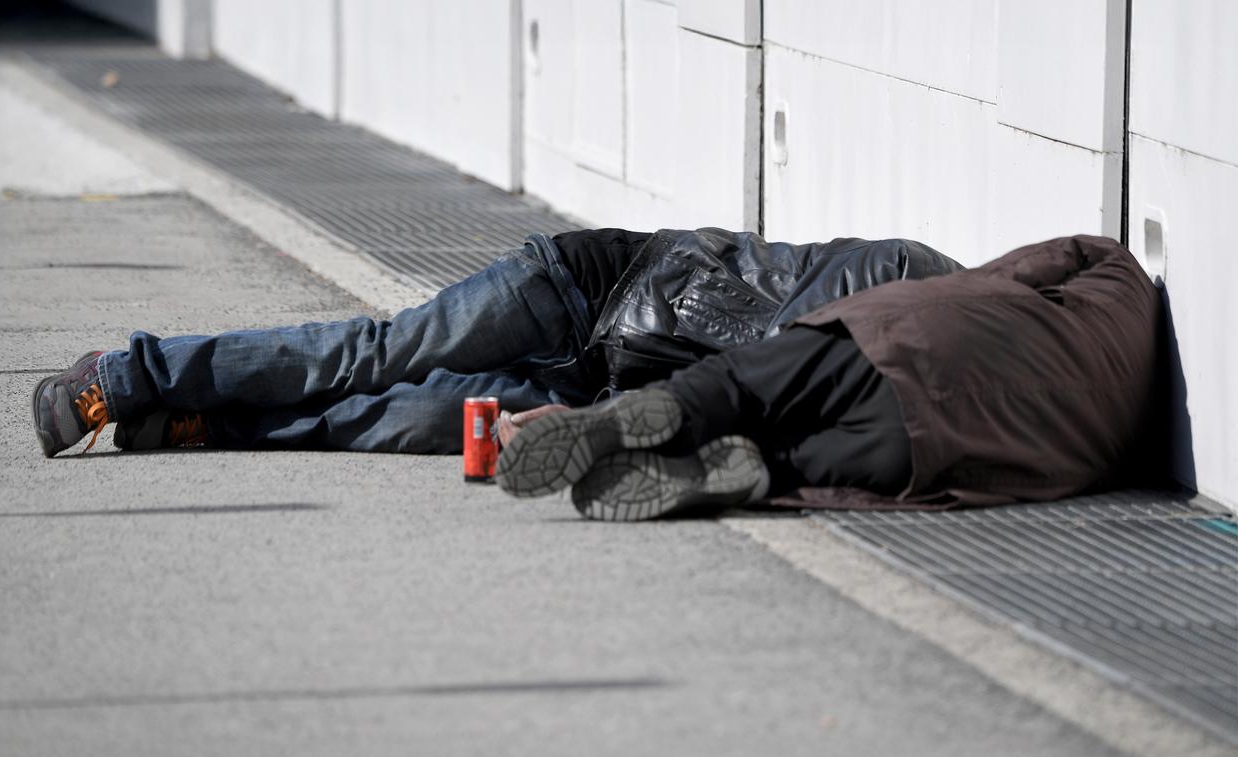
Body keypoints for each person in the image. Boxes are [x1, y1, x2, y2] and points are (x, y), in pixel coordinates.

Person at [30, 227, 961, 465]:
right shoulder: (905, 274)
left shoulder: (886, 389)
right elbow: (740, 324)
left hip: (603, 383)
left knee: (410, 420)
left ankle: (201, 424)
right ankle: (126, 377)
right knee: (381, 353)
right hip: (583, 285)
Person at [493, 233, 1164, 518]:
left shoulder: (1116, 279)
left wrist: (971, 293)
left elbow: (1022, 270)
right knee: (798, 462)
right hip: (941, 442)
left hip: (914, 339)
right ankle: (757, 473)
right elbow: (1003, 487)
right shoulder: (1110, 452)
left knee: (741, 386)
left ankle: (651, 413)